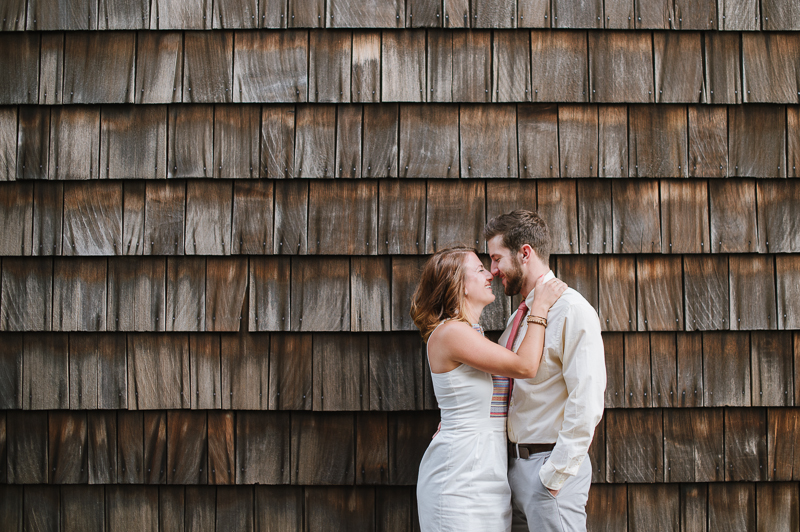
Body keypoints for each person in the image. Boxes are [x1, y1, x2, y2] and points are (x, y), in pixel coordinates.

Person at [410, 246, 567, 532]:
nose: (490, 274)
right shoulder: (451, 332)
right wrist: (540, 307)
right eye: (480, 269)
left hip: (489, 468)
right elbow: (525, 367)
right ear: (459, 284)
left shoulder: (470, 334)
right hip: (459, 473)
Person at [485, 210, 606, 532]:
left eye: (497, 259)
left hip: (548, 469)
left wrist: (556, 476)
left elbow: (587, 397)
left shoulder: (572, 311)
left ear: (524, 253)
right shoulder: (520, 318)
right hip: (515, 468)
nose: (493, 271)